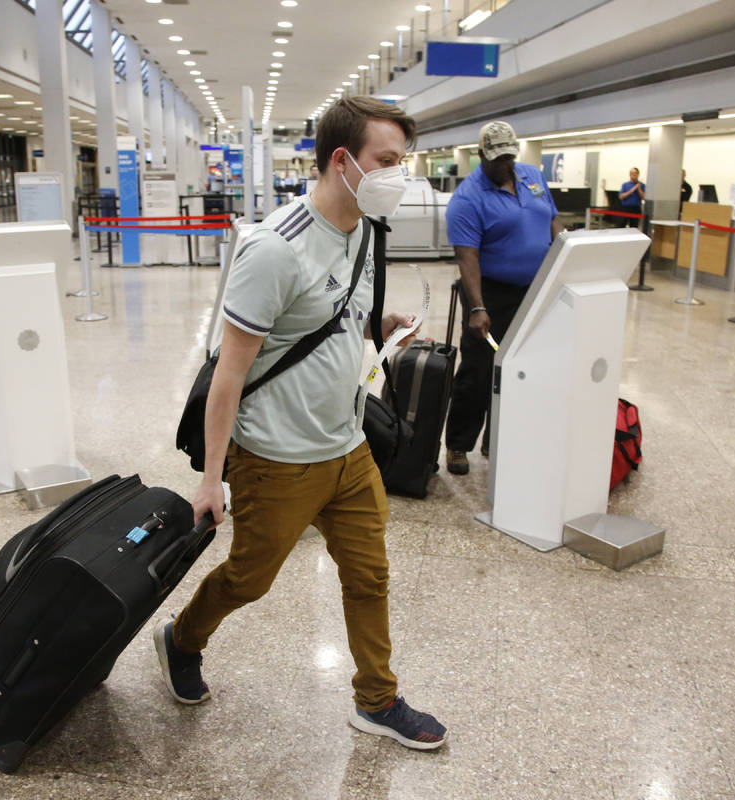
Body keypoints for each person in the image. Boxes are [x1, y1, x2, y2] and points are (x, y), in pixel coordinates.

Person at [154, 96, 448, 751]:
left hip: (349, 448)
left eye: (402, 161)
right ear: (342, 160)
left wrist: (379, 324)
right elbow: (229, 373)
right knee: (248, 580)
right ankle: (182, 639)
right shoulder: (273, 249)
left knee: (369, 577)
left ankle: (377, 699)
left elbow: (336, 315)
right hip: (276, 458)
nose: (398, 176)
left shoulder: (366, 228)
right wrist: (211, 478)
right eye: (387, 161)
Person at [443, 121, 564, 475]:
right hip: (489, 293)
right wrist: (477, 307)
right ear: (481, 155)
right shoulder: (467, 198)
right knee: (478, 370)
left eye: (509, 157)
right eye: (497, 159)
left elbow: (553, 221)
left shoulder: (532, 176)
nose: (505, 164)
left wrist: (564, 257)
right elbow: (467, 257)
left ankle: (497, 439)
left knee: (520, 369)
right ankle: (458, 445)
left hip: (534, 289)